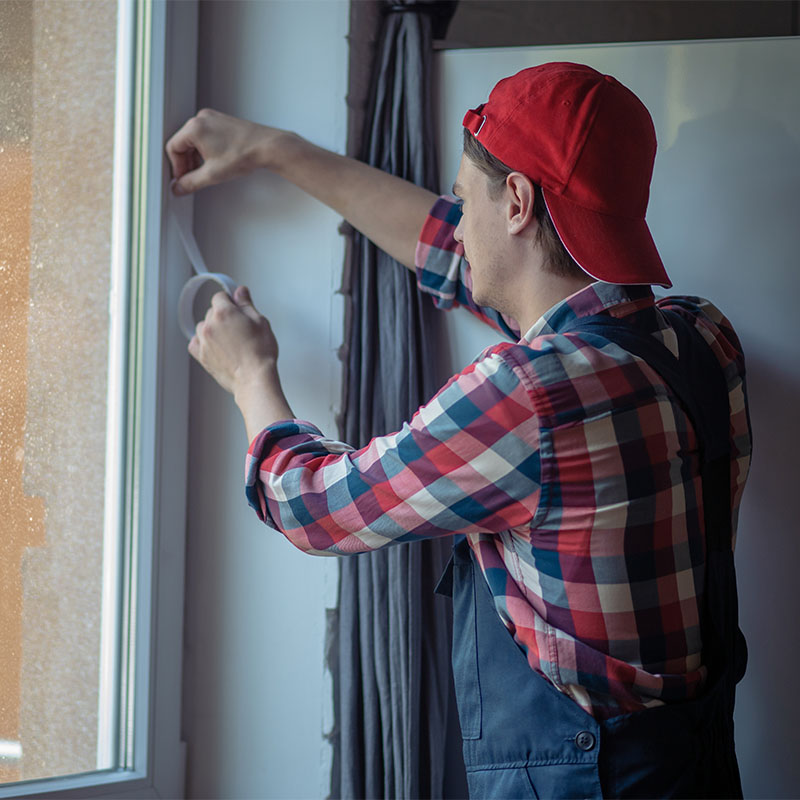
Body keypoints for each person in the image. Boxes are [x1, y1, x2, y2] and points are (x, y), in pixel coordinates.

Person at [166, 62, 751, 798]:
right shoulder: (702, 338)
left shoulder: (526, 396)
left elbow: (312, 505)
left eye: (462, 195)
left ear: (516, 203)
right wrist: (272, 148)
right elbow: (457, 251)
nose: (454, 216)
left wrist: (251, 377)